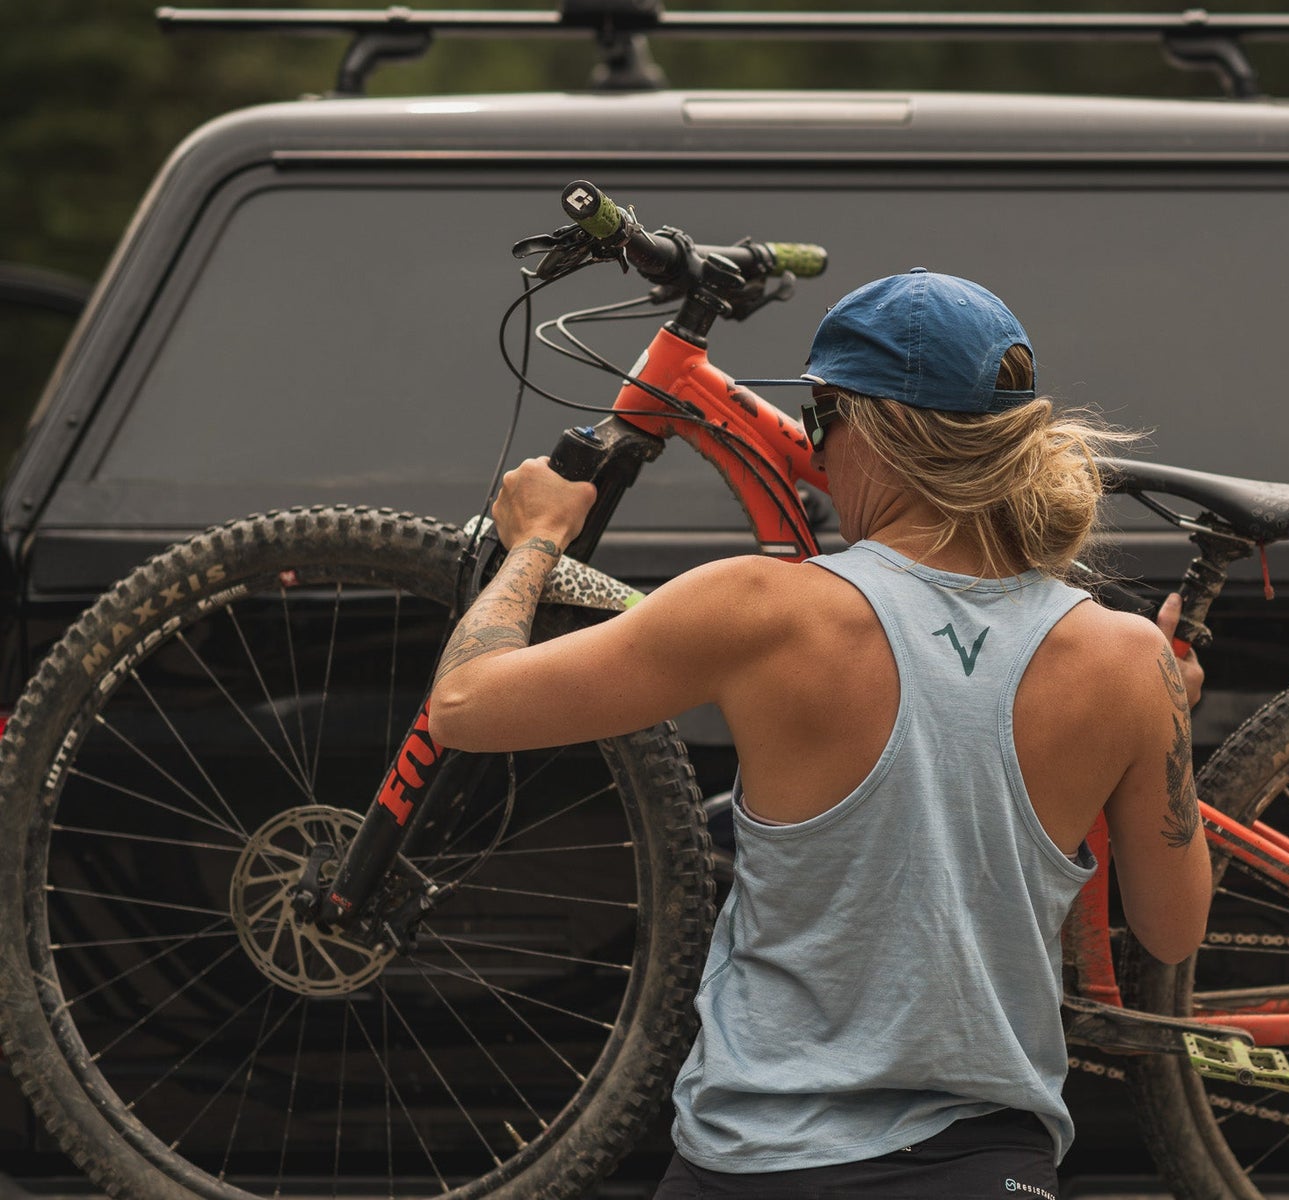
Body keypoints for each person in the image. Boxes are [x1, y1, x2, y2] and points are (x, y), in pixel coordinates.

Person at [429, 269, 1211, 1198]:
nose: (811, 445)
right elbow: (1172, 932)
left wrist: (536, 540)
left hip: (754, 1164)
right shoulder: (1129, 661)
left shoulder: (762, 609)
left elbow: (465, 705)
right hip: (988, 1167)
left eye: (820, 418)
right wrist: (1161, 719)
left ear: (867, 430)